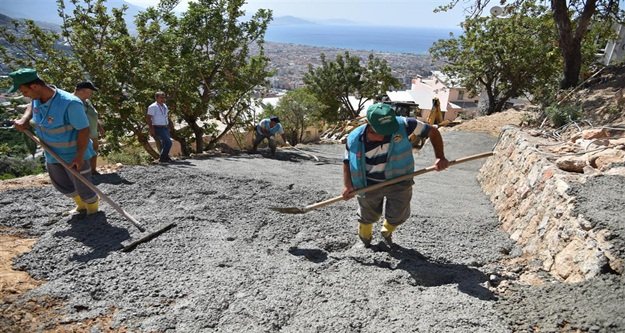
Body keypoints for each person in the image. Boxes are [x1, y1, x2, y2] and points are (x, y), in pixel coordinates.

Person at [342, 103, 449, 247]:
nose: (385, 134)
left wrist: (440, 157)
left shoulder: (403, 124)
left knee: (399, 213)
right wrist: (348, 186)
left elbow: (433, 132)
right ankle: (364, 239)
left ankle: (386, 231)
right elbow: (347, 162)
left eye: (388, 130)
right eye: (380, 131)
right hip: (369, 184)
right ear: (369, 124)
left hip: (400, 179)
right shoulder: (354, 139)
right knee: (368, 214)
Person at [10, 68, 99, 215]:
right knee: (63, 184)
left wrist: (79, 155)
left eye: (24, 91)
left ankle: (93, 212)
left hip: (74, 154)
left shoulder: (69, 103)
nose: (23, 95)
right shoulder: (37, 98)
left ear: (35, 86)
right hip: (51, 153)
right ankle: (81, 206)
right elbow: (30, 105)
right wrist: (24, 119)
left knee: (84, 186)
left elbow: (83, 130)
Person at [74, 81, 105, 175]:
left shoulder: (86, 101)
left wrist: (99, 126)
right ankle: (84, 172)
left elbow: (93, 114)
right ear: (82, 91)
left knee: (94, 151)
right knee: (85, 152)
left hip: (93, 131)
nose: (91, 94)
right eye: (90, 92)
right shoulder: (73, 102)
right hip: (83, 132)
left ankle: (93, 170)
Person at [146, 91, 173, 163]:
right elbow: (148, 118)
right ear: (156, 98)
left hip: (165, 127)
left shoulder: (164, 106)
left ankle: (166, 157)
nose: (163, 99)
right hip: (158, 127)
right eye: (161, 97)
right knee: (169, 142)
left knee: (165, 143)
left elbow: (166, 116)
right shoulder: (152, 107)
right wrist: (151, 129)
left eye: (164, 97)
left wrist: (170, 124)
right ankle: (162, 158)